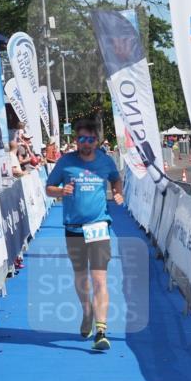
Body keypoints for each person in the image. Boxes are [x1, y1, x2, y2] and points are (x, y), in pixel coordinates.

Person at [45, 118, 124, 352]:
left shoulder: (105, 161)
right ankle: (87, 312)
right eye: (81, 139)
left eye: (90, 139)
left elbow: (116, 179)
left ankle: (101, 331)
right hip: (73, 228)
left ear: (96, 141)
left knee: (99, 279)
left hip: (98, 226)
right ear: (76, 140)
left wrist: (118, 193)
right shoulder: (66, 162)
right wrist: (61, 190)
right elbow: (49, 188)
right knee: (81, 278)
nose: (86, 144)